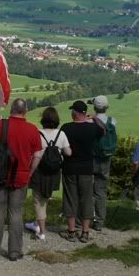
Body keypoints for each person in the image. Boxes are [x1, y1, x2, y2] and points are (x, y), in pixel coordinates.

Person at [0, 98, 42, 261]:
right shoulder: (32, 130)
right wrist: (29, 172)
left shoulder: (0, 126)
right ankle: (15, 251)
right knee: (16, 213)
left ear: (11, 110)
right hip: (21, 176)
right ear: (26, 110)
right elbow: (37, 156)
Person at [59, 100, 105, 243]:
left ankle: (71, 231)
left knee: (70, 198)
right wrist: (95, 118)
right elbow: (103, 130)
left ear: (75, 113)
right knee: (86, 199)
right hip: (86, 169)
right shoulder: (92, 129)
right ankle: (85, 232)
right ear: (85, 114)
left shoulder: (66, 127)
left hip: (70, 167)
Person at [25, 107, 71, 240]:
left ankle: (41, 232)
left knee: (39, 201)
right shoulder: (61, 134)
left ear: (43, 119)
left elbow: (33, 153)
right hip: (54, 172)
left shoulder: (37, 133)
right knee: (44, 199)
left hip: (39, 170)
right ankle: (36, 223)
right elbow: (68, 152)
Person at [89, 95, 117, 232]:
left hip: (92, 158)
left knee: (88, 189)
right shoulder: (113, 121)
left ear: (94, 107)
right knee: (101, 191)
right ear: (107, 107)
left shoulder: (90, 122)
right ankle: (99, 222)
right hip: (106, 158)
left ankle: (86, 218)